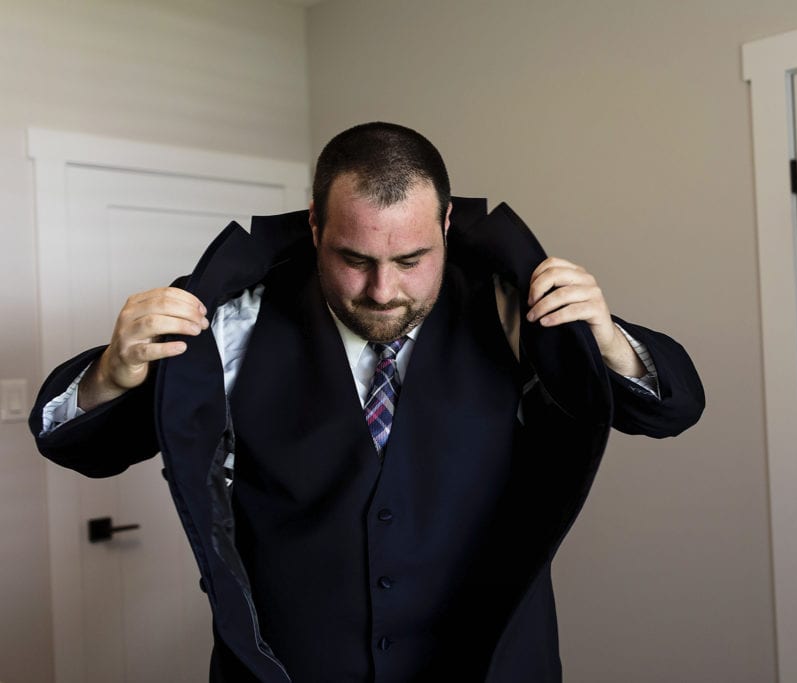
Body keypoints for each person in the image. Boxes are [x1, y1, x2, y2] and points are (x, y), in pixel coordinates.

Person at [31, 122, 704, 682]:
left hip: (488, 667)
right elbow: (79, 444)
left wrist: (609, 340)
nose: (384, 290)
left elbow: (674, 405)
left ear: (446, 222)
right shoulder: (236, 316)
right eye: (355, 258)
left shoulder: (513, 307)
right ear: (316, 224)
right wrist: (112, 373)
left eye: (412, 258)